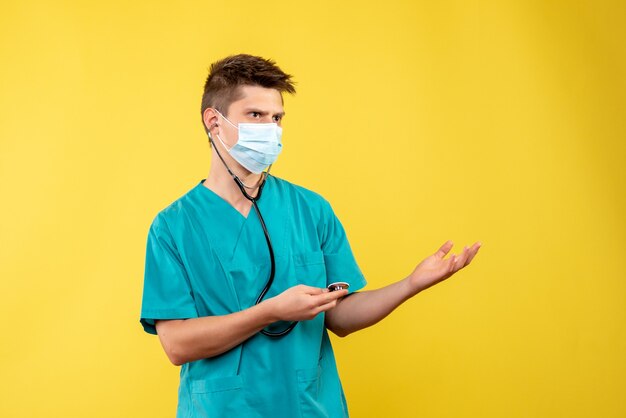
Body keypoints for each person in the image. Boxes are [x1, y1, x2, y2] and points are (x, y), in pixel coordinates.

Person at [139, 53, 481, 417]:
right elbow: (176, 344)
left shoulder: (311, 209)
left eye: (277, 118)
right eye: (255, 115)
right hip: (224, 408)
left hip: (310, 406)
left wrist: (411, 284)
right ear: (214, 122)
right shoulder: (172, 227)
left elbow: (340, 317)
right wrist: (270, 311)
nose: (270, 128)